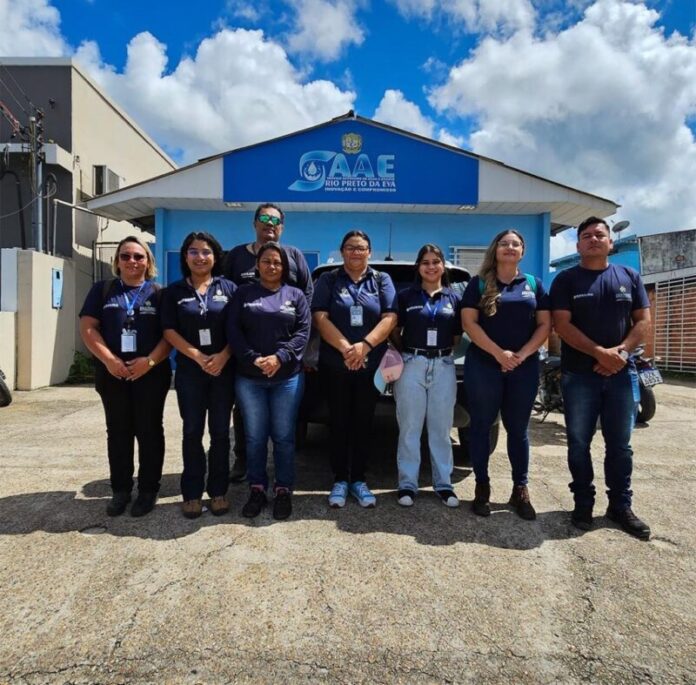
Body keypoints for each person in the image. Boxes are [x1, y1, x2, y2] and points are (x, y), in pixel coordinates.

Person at [550, 217, 651, 540]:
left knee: (620, 445)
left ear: (610, 242)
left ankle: (620, 506)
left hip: (621, 373)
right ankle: (583, 503)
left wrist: (619, 354)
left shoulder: (629, 277)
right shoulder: (566, 280)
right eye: (586, 236)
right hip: (579, 375)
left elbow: (642, 321)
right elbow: (561, 325)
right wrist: (599, 353)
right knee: (579, 443)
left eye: (599, 234)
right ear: (578, 244)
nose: (593, 239)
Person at [79, 236, 171, 517]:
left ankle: (148, 490)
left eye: (139, 256)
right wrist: (110, 361)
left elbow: (169, 335)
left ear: (148, 261)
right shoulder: (103, 290)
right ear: (117, 261)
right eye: (126, 256)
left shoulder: (159, 293)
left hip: (151, 374)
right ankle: (120, 490)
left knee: (149, 430)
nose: (132, 261)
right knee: (118, 432)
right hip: (113, 374)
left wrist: (149, 362)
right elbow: (88, 327)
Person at [461, 229, 551, 519]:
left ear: (522, 251)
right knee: (480, 427)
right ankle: (482, 486)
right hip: (484, 365)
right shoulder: (478, 284)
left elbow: (544, 325)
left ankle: (520, 489)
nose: (510, 247)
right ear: (495, 249)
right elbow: (469, 324)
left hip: (523, 368)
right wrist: (499, 354)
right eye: (504, 243)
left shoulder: (534, 285)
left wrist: (520, 356)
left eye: (516, 244)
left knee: (518, 430)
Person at [223, 203, 313, 483]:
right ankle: (245, 464)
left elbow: (307, 296)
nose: (269, 224)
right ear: (254, 223)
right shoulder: (237, 256)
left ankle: (283, 485)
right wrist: (248, 355)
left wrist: (286, 351)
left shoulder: (294, 256)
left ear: (282, 227)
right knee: (248, 422)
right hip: (247, 360)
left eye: (275, 220)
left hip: (286, 362)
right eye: (264, 218)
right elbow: (226, 299)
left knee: (284, 432)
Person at [312, 230, 397, 509]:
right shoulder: (329, 279)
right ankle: (339, 479)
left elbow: (390, 317)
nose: (356, 252)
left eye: (361, 248)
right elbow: (320, 317)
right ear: (342, 251)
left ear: (369, 252)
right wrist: (347, 349)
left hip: (370, 365)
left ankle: (359, 479)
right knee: (338, 422)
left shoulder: (381, 279)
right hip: (336, 364)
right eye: (350, 247)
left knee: (363, 422)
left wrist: (365, 347)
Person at [161, 232, 237, 519]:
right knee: (192, 431)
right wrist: (197, 356)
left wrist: (223, 356)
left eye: (206, 251)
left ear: (215, 256)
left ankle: (218, 491)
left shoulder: (229, 288)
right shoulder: (174, 291)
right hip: (190, 371)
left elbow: (238, 328)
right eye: (193, 251)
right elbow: (169, 330)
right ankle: (191, 492)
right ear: (185, 256)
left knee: (220, 433)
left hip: (222, 370)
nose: (200, 257)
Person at [392, 244, 462, 508]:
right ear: (418, 267)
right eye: (425, 262)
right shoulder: (405, 297)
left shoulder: (454, 298)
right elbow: (394, 330)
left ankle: (443, 484)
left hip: (443, 365)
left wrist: (441, 352)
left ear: (443, 266)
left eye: (435, 262)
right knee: (410, 427)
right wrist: (408, 353)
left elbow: (457, 336)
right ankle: (407, 484)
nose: (431, 267)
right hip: (412, 363)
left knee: (441, 428)